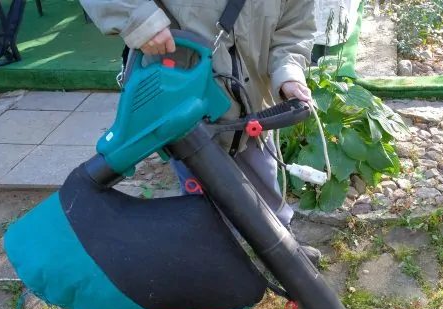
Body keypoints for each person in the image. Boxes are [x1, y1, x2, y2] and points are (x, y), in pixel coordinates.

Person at [79, 0, 322, 265]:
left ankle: (284, 251)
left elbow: (293, 30)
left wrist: (288, 74)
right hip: (183, 99)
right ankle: (215, 261)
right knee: (201, 194)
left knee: (263, 178)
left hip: (251, 104)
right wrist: (139, 20)